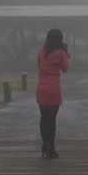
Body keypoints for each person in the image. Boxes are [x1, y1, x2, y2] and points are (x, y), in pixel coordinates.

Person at [36, 28, 70, 158]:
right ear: (59, 40)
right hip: (53, 90)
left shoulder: (41, 52)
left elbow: (39, 67)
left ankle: (45, 145)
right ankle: (52, 148)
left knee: (44, 118)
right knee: (52, 120)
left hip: (41, 89)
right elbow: (65, 68)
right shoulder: (60, 53)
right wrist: (66, 53)